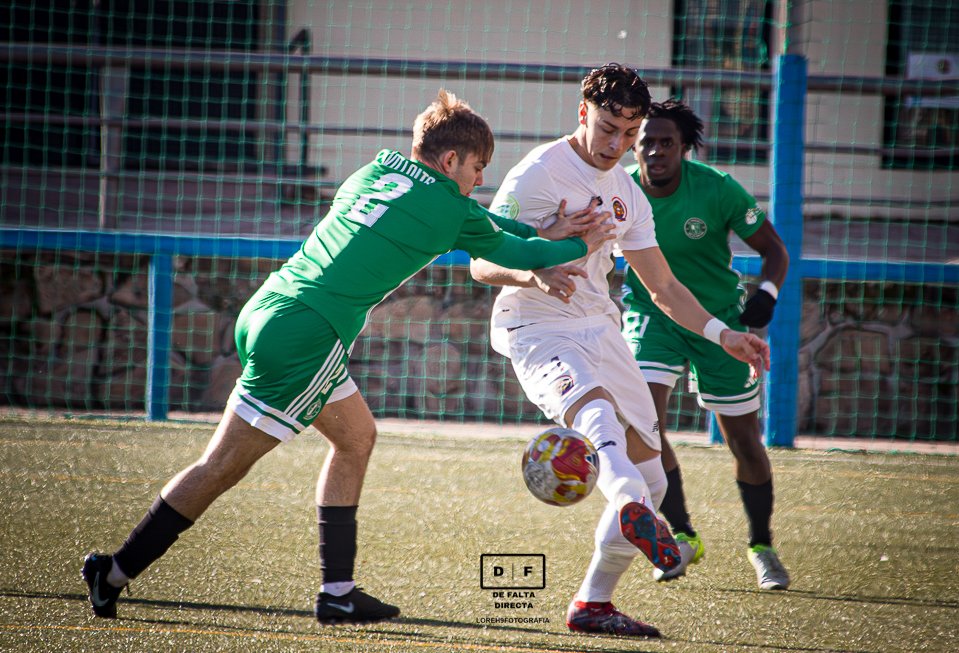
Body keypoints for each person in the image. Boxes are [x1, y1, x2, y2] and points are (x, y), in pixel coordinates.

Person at [81, 89, 614, 624]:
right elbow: (518, 251)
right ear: (451, 160)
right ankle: (114, 572)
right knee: (221, 467)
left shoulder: (373, 173)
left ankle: (337, 592)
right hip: (307, 334)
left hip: (271, 308)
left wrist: (545, 234)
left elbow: (490, 227)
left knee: (356, 438)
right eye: (477, 169)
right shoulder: (449, 211)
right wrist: (582, 242)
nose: (479, 182)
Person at [470, 64, 770, 638]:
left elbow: (664, 287)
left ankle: (592, 604)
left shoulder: (628, 191)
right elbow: (481, 263)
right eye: (608, 128)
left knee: (655, 477)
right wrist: (537, 265)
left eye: (628, 134)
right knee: (599, 413)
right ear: (583, 114)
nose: (618, 145)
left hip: (597, 325)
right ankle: (627, 498)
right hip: (535, 325)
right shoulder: (538, 174)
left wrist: (722, 334)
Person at [622, 99, 791, 590]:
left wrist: (768, 293)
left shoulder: (718, 190)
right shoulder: (621, 190)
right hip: (650, 319)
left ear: (684, 148)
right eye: (645, 143)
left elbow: (774, 250)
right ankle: (682, 535)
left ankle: (762, 545)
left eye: (665, 143)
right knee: (644, 427)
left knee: (744, 442)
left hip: (720, 324)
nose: (654, 151)